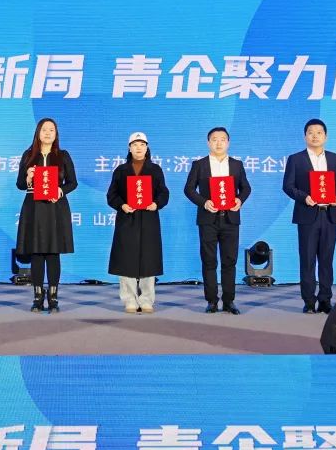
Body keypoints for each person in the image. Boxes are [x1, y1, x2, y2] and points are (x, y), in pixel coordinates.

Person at [282, 118, 336, 314]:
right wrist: (305, 198)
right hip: (307, 215)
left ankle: (325, 300)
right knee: (308, 259)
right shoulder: (296, 159)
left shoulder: (335, 158)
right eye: (310, 132)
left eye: (319, 132)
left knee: (327, 260)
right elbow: (288, 186)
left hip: (330, 215)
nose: (315, 136)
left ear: (325, 136)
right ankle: (309, 301)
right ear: (305, 136)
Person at [183, 127, 251, 315]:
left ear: (228, 142)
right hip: (208, 219)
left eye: (222, 139)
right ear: (208, 143)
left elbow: (246, 188)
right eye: (214, 139)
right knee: (209, 261)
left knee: (229, 261)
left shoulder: (237, 165)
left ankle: (229, 301)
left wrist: (239, 200)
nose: (218, 143)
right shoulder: (199, 165)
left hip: (230, 219)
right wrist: (204, 202)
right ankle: (211, 301)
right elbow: (189, 189)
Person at [15, 118, 77, 313]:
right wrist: (28, 176)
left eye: (52, 130)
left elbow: (73, 182)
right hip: (33, 207)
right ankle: (37, 297)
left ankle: (53, 297)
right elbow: (20, 185)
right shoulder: (28, 155)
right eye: (44, 130)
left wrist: (60, 190)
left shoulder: (63, 156)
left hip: (55, 207)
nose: (48, 133)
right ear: (38, 133)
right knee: (36, 252)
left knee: (52, 252)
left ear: (56, 134)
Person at [106, 132, 169, 314]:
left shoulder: (155, 169)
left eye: (142, 144)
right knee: (126, 259)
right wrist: (122, 205)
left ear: (147, 148)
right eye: (135, 144)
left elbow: (164, 193)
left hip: (149, 219)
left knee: (149, 259)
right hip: (127, 219)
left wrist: (156, 204)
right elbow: (111, 195)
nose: (139, 148)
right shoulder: (121, 170)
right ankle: (129, 300)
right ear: (129, 148)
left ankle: (147, 299)